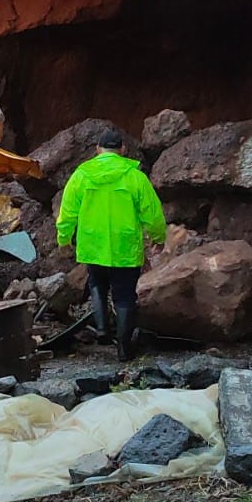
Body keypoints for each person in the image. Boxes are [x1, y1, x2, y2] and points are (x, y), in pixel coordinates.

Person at [55, 127, 167, 361]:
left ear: (97, 149)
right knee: (125, 295)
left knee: (97, 282)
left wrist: (64, 238)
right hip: (125, 246)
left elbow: (67, 212)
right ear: (123, 150)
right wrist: (158, 237)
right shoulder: (135, 176)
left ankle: (103, 329)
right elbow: (152, 213)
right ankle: (124, 349)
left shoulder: (82, 175)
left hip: (93, 245)